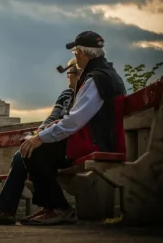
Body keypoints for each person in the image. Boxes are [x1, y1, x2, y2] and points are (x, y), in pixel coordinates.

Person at [18, 31, 127, 225]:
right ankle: (52, 207)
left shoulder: (95, 79)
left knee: (34, 151)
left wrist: (40, 137)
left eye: (76, 51)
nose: (75, 55)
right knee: (37, 149)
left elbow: (75, 120)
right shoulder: (105, 74)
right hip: (101, 138)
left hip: (96, 142)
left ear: (83, 53)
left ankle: (59, 208)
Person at [0, 59, 82, 226]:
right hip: (53, 142)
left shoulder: (84, 96)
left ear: (79, 75)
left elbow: (70, 123)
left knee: (29, 153)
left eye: (70, 73)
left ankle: (54, 207)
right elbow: (52, 117)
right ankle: (8, 210)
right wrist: (38, 133)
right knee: (22, 154)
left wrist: (42, 136)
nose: (68, 77)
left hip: (67, 146)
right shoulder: (66, 94)